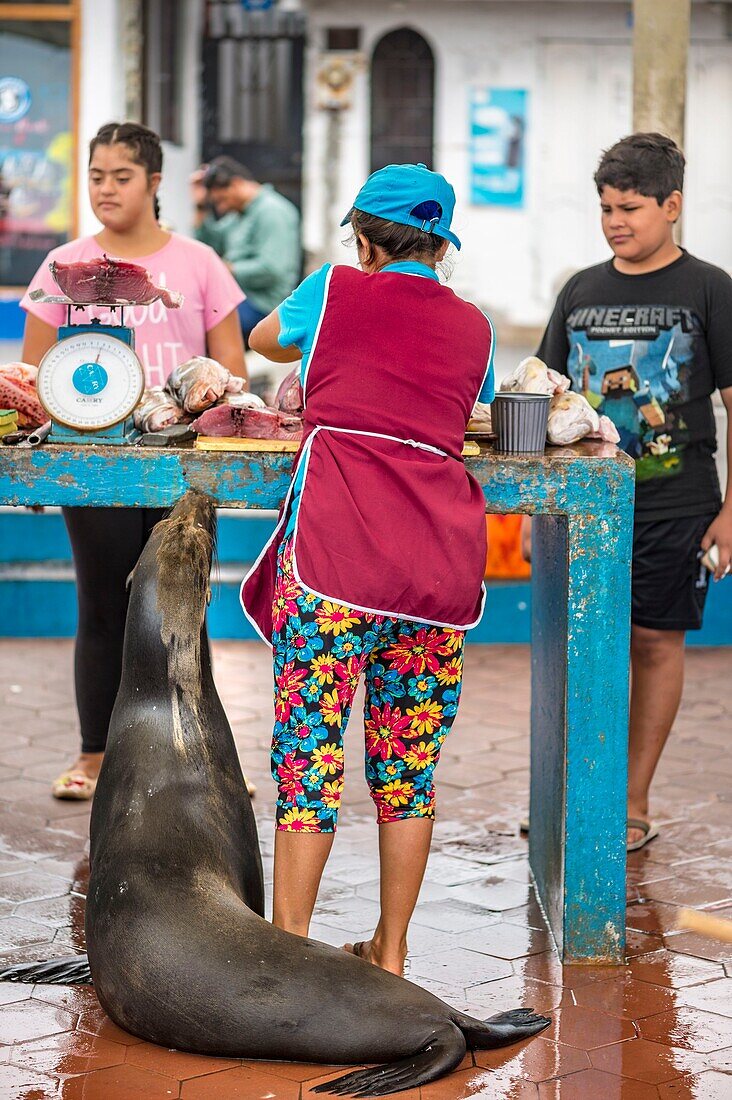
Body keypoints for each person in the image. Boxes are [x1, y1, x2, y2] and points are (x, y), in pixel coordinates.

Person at [241, 163, 495, 976]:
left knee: (310, 757)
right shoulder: (476, 327)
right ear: (441, 246)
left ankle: (287, 959)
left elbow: (262, 341)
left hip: (336, 564)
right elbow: (468, 402)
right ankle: (390, 952)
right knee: (408, 767)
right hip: (433, 578)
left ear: (362, 236)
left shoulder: (338, 288)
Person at [21, 121, 247, 800]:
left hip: (182, 462)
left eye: (121, 176)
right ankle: (94, 755)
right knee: (100, 604)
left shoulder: (201, 263)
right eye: (96, 176)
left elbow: (232, 368)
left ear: (154, 183)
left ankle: (194, 760)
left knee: (182, 606)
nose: (106, 189)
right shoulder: (62, 265)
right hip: (91, 456)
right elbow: (34, 376)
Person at [535, 133, 732, 851]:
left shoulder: (710, 289)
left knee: (653, 642)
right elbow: (545, 392)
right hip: (583, 505)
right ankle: (574, 789)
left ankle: (632, 800)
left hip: (678, 502)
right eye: (606, 208)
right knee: (578, 644)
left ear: (671, 205)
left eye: (631, 208)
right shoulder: (581, 291)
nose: (616, 221)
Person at [192, 156, 301, 341]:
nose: (221, 207)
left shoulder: (272, 212)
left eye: (221, 200)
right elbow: (209, 242)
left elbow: (272, 270)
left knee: (200, 324)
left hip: (263, 305)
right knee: (188, 313)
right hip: (237, 297)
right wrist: (200, 204)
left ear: (235, 184)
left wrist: (226, 269)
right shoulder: (240, 213)